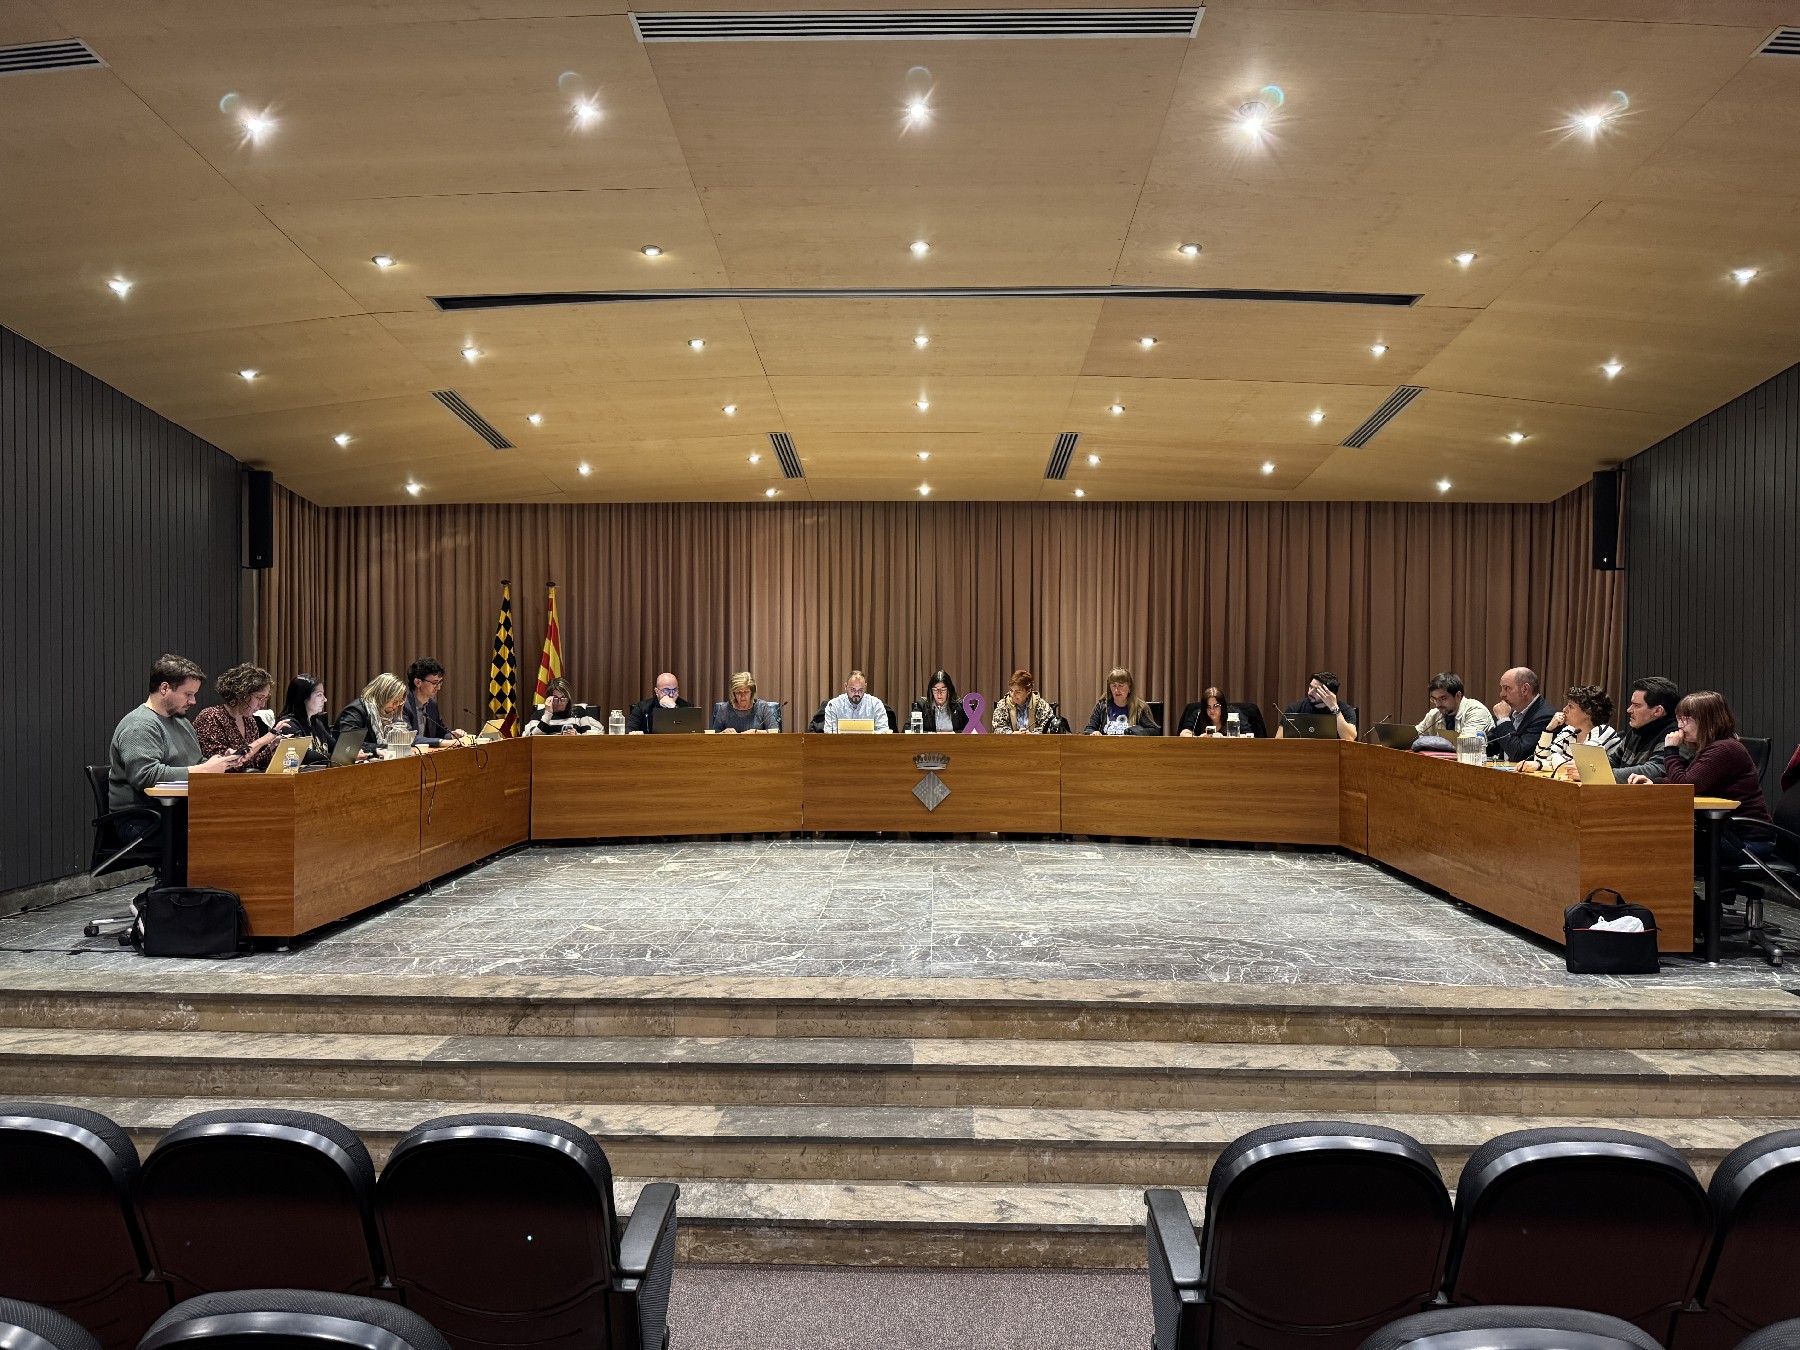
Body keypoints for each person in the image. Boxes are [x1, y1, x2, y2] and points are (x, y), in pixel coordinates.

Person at [108, 654, 238, 831]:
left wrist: (219, 762)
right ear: (164, 688)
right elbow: (146, 776)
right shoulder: (139, 725)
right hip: (143, 819)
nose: (193, 701)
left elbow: (195, 763)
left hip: (177, 812)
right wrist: (205, 770)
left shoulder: (181, 722)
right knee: (223, 832)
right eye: (188, 694)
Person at [1630, 691, 1770, 823]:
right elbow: (1688, 778)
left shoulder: (1723, 749)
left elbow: (1686, 786)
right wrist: (1654, 783)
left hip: (1743, 832)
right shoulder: (1713, 746)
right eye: (1679, 719)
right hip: (1722, 828)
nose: (1680, 726)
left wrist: (1671, 750)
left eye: (1686, 720)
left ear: (1708, 721)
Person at [192, 662, 282, 771]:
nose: (262, 704)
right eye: (259, 698)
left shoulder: (250, 721)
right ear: (242, 694)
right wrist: (263, 740)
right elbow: (221, 765)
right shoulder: (211, 717)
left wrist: (272, 747)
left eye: (265, 699)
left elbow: (252, 764)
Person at [1523, 685, 1621, 774]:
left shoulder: (1604, 731)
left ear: (1587, 712)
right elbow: (1539, 758)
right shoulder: (1569, 731)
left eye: (1571, 706)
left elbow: (1579, 769)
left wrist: (1552, 759)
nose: (1564, 709)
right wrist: (1549, 729)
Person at [1608, 676, 1681, 783]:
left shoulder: (1674, 735)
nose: (1629, 710)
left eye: (1636, 705)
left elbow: (1655, 771)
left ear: (1658, 711)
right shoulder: (1637, 731)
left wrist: (1602, 774)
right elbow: (1612, 761)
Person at [1484, 667, 1554, 762]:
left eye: (1507, 688)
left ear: (1525, 689)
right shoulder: (1514, 710)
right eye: (1502, 688)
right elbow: (1494, 744)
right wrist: (1473, 743)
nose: (1502, 694)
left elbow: (1519, 754)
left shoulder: (1545, 716)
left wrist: (1503, 720)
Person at [335, 672, 408, 754]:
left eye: (400, 701)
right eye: (395, 701)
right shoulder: (355, 711)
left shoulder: (388, 714)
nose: (397, 705)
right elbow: (349, 744)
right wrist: (390, 747)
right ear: (383, 696)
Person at [1413, 672, 1496, 744]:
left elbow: (1467, 744)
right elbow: (1413, 737)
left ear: (1458, 696)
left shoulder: (1476, 711)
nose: (1437, 705)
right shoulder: (1434, 715)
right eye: (1434, 699)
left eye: (1443, 698)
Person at [1276, 672, 1358, 741]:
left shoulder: (1346, 710)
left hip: (1332, 754)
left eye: (1316, 690)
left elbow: (1350, 738)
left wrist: (1334, 708)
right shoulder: (1294, 709)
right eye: (1310, 687)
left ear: (1330, 694)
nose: (1310, 693)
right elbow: (1278, 741)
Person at [272, 673, 336, 760]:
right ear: (303, 698)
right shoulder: (288, 725)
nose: (325, 699)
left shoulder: (316, 723)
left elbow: (335, 747)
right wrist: (335, 757)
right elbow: (303, 756)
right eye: (319, 695)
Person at [402, 657, 467, 741]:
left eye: (440, 682)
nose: (438, 688)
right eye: (434, 683)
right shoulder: (403, 705)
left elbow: (441, 733)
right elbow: (407, 737)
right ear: (418, 682)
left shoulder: (432, 705)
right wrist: (441, 742)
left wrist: (452, 735)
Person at [1084, 668, 1159, 736]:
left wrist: (1134, 731)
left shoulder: (1139, 707)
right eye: (1113, 685)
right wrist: (1093, 733)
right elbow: (1088, 729)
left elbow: (1154, 731)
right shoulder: (1102, 706)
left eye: (1121, 685)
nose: (1117, 690)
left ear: (1129, 686)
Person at [524, 678, 604, 735]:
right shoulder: (538, 715)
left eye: (563, 698)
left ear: (569, 699)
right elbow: (533, 737)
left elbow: (588, 737)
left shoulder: (579, 712)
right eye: (555, 698)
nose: (559, 702)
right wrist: (548, 714)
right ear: (549, 698)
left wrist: (577, 735)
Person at [710, 671, 781, 733]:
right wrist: (723, 732)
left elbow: (775, 731)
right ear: (733, 693)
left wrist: (756, 732)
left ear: (751, 692)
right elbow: (714, 735)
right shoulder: (725, 709)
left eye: (746, 692)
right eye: (739, 692)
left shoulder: (762, 707)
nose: (743, 696)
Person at [1178, 687, 1263, 737]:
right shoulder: (1199, 714)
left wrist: (1224, 739)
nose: (1212, 710)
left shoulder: (1233, 713)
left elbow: (1249, 735)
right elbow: (1183, 733)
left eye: (1216, 706)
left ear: (1223, 706)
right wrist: (1199, 738)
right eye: (1208, 707)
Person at [823, 669, 890, 733]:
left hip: (869, 741)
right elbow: (829, 733)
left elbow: (884, 731)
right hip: (841, 741)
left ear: (865, 687)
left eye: (860, 690)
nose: (856, 694)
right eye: (852, 689)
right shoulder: (833, 706)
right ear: (845, 686)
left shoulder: (876, 704)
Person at [992, 670, 1055, 734]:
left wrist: (1033, 735)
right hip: (1010, 740)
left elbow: (1049, 728)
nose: (1012, 695)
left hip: (1035, 740)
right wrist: (1011, 734)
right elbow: (997, 728)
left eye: (1017, 692)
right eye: (1011, 691)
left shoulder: (1041, 705)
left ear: (1028, 691)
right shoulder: (1003, 704)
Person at [627, 672, 693, 733]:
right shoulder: (642, 708)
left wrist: (674, 708)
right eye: (666, 690)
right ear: (657, 691)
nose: (671, 695)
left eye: (674, 690)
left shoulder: (688, 707)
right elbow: (629, 731)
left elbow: (692, 732)